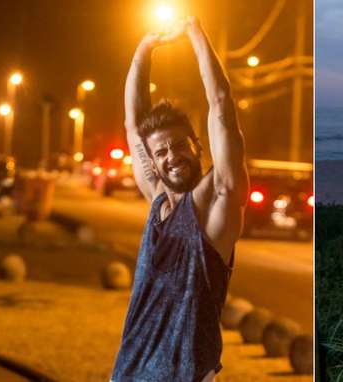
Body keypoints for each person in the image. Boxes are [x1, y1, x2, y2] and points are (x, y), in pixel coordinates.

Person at [111, 17, 248, 382]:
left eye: (179, 145)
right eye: (161, 151)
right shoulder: (157, 201)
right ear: (152, 161)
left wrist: (194, 31)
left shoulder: (217, 204)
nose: (172, 156)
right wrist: (145, 48)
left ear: (196, 145)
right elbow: (133, 123)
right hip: (127, 372)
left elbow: (221, 106)